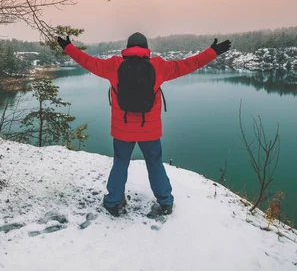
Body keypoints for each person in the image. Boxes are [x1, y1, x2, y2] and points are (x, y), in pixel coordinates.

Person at [57, 32, 231, 216]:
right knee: (155, 163)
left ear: (127, 46)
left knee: (120, 163)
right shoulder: (158, 66)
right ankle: (165, 202)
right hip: (150, 131)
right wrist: (213, 51)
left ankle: (113, 202)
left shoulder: (113, 65)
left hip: (122, 130)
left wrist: (68, 47)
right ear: (146, 48)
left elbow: (87, 61)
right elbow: (188, 64)